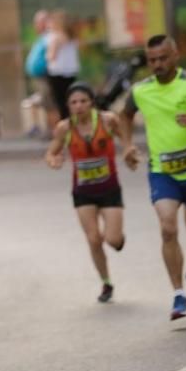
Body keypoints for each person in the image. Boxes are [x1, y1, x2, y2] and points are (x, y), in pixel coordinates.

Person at [121, 34, 186, 319]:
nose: (158, 64)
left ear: (176, 55)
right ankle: (179, 296)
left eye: (163, 58)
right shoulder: (141, 91)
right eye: (152, 60)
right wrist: (128, 144)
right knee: (168, 228)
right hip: (162, 172)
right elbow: (125, 115)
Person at [45, 82, 133, 302]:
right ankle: (106, 282)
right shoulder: (64, 128)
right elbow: (51, 152)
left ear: (91, 102)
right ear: (68, 105)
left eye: (83, 101)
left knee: (112, 240)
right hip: (83, 192)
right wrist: (53, 160)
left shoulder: (107, 120)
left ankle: (118, 239)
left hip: (109, 188)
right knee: (94, 239)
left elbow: (125, 138)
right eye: (74, 102)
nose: (79, 106)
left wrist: (128, 150)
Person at [25, 9, 56, 137]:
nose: (36, 25)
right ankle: (41, 128)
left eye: (39, 22)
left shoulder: (50, 37)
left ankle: (52, 130)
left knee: (49, 103)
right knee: (42, 102)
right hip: (39, 77)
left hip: (46, 76)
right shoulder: (41, 38)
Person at [46, 10, 80, 120]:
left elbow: (51, 56)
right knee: (70, 99)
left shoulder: (55, 37)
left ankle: (65, 126)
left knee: (60, 102)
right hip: (71, 72)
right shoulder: (72, 37)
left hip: (57, 72)